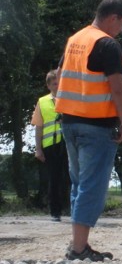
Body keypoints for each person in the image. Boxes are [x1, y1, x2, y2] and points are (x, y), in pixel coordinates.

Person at [55, 0, 122, 262]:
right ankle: (78, 249)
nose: (120, 30)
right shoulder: (107, 44)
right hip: (96, 126)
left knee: (79, 183)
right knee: (92, 186)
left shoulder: (75, 40)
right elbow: (118, 88)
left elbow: (58, 76)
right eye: (121, 24)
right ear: (113, 18)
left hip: (69, 122)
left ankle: (78, 244)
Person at [32, 70, 69, 222]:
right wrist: (38, 148)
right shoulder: (42, 102)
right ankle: (55, 212)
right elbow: (38, 127)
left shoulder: (69, 99)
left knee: (70, 177)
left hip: (67, 142)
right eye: (54, 83)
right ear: (48, 85)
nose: (58, 85)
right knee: (54, 179)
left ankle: (73, 210)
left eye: (59, 82)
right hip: (50, 145)